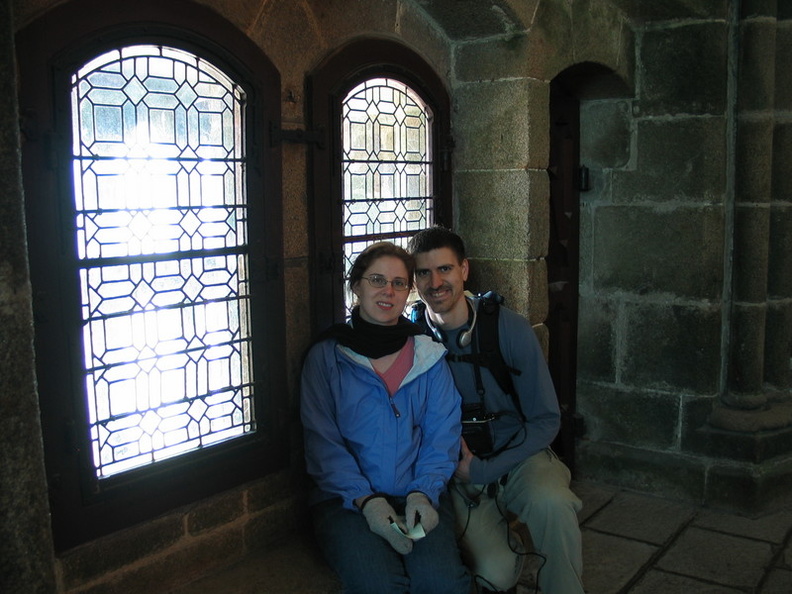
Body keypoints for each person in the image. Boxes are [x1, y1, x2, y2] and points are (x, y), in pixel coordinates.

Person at [407, 227, 584, 594]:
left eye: (445, 269)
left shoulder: (510, 329)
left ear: (464, 270)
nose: (435, 282)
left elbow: (547, 418)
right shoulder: (409, 339)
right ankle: (511, 552)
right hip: (456, 475)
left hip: (519, 456)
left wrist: (486, 468)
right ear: (413, 280)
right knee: (496, 576)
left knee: (554, 504)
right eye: (423, 272)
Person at [300, 241, 472, 594]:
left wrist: (423, 492)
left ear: (408, 292)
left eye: (398, 283)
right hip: (346, 501)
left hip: (417, 494)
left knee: (441, 584)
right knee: (379, 585)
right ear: (356, 285)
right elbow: (322, 443)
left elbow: (442, 435)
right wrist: (367, 500)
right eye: (377, 279)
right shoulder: (327, 358)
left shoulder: (428, 356)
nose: (388, 291)